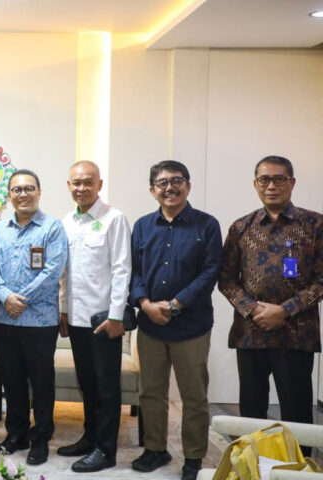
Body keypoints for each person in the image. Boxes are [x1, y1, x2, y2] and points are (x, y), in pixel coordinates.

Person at [219, 155, 323, 456]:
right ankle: (252, 466)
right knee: (251, 409)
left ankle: (298, 467)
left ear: (291, 182)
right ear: (255, 185)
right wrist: (253, 309)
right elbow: (226, 279)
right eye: (264, 179)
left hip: (296, 333)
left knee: (297, 409)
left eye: (279, 179)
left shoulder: (315, 224)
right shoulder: (241, 227)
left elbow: (321, 280)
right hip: (251, 333)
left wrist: (285, 310)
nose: (271, 185)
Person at [129, 161, 222, 480]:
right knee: (151, 392)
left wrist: (175, 304)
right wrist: (144, 303)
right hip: (150, 325)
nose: (170, 187)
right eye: (162, 182)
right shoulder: (142, 225)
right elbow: (136, 271)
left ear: (188, 185)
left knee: (193, 395)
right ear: (152, 189)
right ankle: (155, 449)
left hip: (192, 326)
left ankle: (194, 456)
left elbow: (211, 271)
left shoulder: (207, 225)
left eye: (176, 180)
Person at [0, 169, 68, 465]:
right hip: (5, 319)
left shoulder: (52, 227)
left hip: (40, 322)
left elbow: (53, 271)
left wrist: (21, 299)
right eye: (17, 189)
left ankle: (41, 437)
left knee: (41, 382)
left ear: (39, 192)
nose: (23, 194)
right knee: (12, 380)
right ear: (9, 195)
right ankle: (16, 435)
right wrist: (4, 295)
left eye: (29, 188)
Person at [57, 160, 131, 473]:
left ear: (99, 184)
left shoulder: (114, 219)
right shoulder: (66, 222)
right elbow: (65, 272)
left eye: (88, 182)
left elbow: (122, 269)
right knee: (87, 382)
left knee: (106, 387)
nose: (82, 188)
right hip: (76, 319)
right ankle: (90, 437)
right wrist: (62, 309)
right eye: (76, 183)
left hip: (104, 321)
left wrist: (117, 316)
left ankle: (106, 449)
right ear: (69, 185)